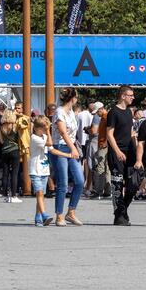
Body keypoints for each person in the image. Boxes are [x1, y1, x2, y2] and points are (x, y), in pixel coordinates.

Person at [50, 87, 85, 226]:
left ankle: (71, 211)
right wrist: (73, 148)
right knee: (63, 182)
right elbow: (63, 132)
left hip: (72, 147)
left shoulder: (71, 112)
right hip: (60, 147)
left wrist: (74, 148)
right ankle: (59, 215)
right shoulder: (59, 112)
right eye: (76, 97)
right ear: (73, 98)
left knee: (79, 180)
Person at [107, 86, 138, 225]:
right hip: (117, 152)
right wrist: (117, 151)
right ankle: (119, 215)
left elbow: (129, 132)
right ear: (123, 96)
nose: (132, 97)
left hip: (129, 151)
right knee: (117, 184)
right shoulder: (113, 112)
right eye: (130, 95)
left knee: (133, 183)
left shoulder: (129, 112)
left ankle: (123, 209)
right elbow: (109, 134)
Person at [30, 116, 67, 226]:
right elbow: (50, 144)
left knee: (41, 195)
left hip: (44, 170)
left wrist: (68, 155)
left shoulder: (44, 137)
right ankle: (44, 214)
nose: (45, 130)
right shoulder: (34, 137)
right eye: (43, 128)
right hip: (35, 170)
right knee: (39, 193)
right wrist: (48, 132)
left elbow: (52, 150)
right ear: (36, 128)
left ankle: (38, 217)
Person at [0, 110, 22, 203]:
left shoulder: (0, 127)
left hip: (4, 151)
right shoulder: (15, 126)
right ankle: (13, 196)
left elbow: (1, 141)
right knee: (14, 174)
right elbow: (19, 138)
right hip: (14, 150)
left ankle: (5, 195)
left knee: (5, 173)